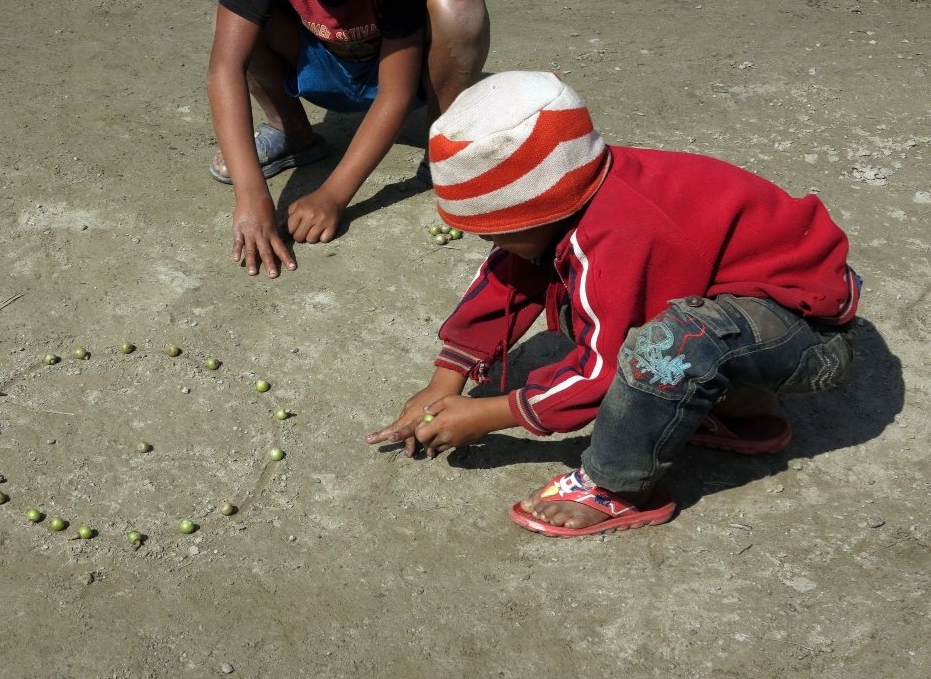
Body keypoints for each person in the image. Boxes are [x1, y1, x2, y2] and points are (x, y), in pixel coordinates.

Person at [366, 71, 860, 537]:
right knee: (572, 288)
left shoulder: (624, 233)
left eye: (495, 234)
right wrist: (446, 376)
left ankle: (617, 484)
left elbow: (604, 367)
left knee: (664, 348)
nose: (487, 243)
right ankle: (737, 408)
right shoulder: (573, 184)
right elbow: (509, 276)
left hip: (807, 334)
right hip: (755, 309)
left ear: (541, 209)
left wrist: (488, 414)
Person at [206, 0, 490, 278]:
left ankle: (445, 146)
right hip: (319, 65)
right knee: (234, 24)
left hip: (400, 74)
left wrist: (333, 195)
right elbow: (225, 69)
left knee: (458, 3)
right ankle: (292, 134)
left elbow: (395, 93)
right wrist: (253, 197)